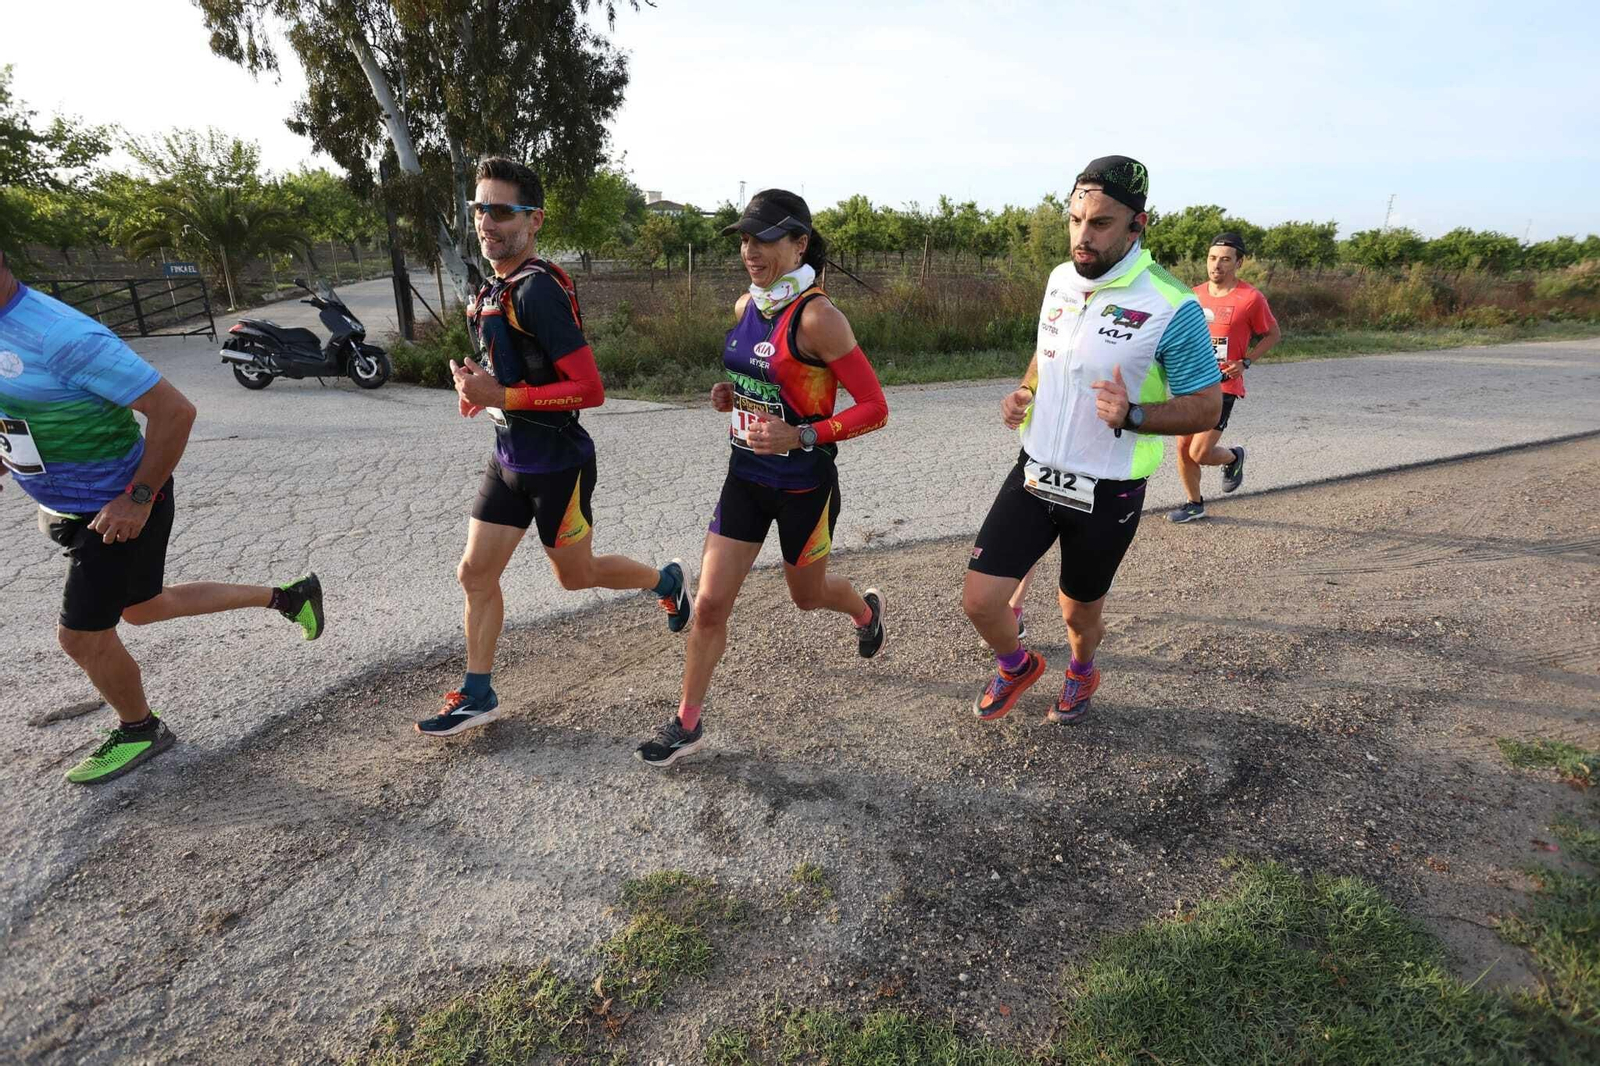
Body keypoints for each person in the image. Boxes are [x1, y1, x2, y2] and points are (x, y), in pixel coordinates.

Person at [0, 248, 324, 784]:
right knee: (144, 608)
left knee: (82, 637)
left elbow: (176, 411)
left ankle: (140, 729)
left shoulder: (60, 335)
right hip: (65, 503)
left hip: (111, 509)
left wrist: (137, 498)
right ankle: (289, 597)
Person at [416, 156, 691, 738]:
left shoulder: (539, 290)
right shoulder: (494, 286)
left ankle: (665, 582)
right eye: (478, 208)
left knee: (576, 575)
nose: (485, 221)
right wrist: (481, 395)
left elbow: (590, 390)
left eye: (500, 210)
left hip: (558, 463)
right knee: (474, 573)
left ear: (533, 220)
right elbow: (515, 372)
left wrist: (506, 396)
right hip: (508, 456)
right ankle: (477, 691)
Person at [962, 156, 1223, 724]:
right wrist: (1024, 391)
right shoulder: (1060, 279)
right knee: (980, 600)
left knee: (1079, 616)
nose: (1083, 235)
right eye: (1076, 219)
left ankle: (1082, 669)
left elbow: (1207, 404)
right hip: (1036, 472)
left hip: (1107, 490)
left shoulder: (1170, 304)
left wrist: (1133, 414)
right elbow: (1048, 351)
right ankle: (1016, 665)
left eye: (1101, 223)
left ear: (1138, 224)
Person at [634, 190, 889, 767]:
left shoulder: (819, 316)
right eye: (745, 239)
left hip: (803, 485)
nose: (751, 250)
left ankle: (866, 612)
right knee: (712, 603)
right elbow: (762, 376)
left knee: (808, 596)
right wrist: (733, 394)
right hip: (745, 476)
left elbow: (874, 407)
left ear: (799, 244)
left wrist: (802, 436)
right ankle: (687, 721)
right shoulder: (744, 306)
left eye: (764, 238)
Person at [1168, 232, 1281, 522]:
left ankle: (1233, 456)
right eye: (1212, 258)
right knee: (1182, 447)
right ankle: (1195, 504)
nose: (1216, 265)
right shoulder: (1191, 294)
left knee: (1200, 452)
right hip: (1190, 381)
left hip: (1224, 385)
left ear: (1238, 263)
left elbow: (1272, 334)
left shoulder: (1251, 298)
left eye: (1225, 260)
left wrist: (1246, 362)